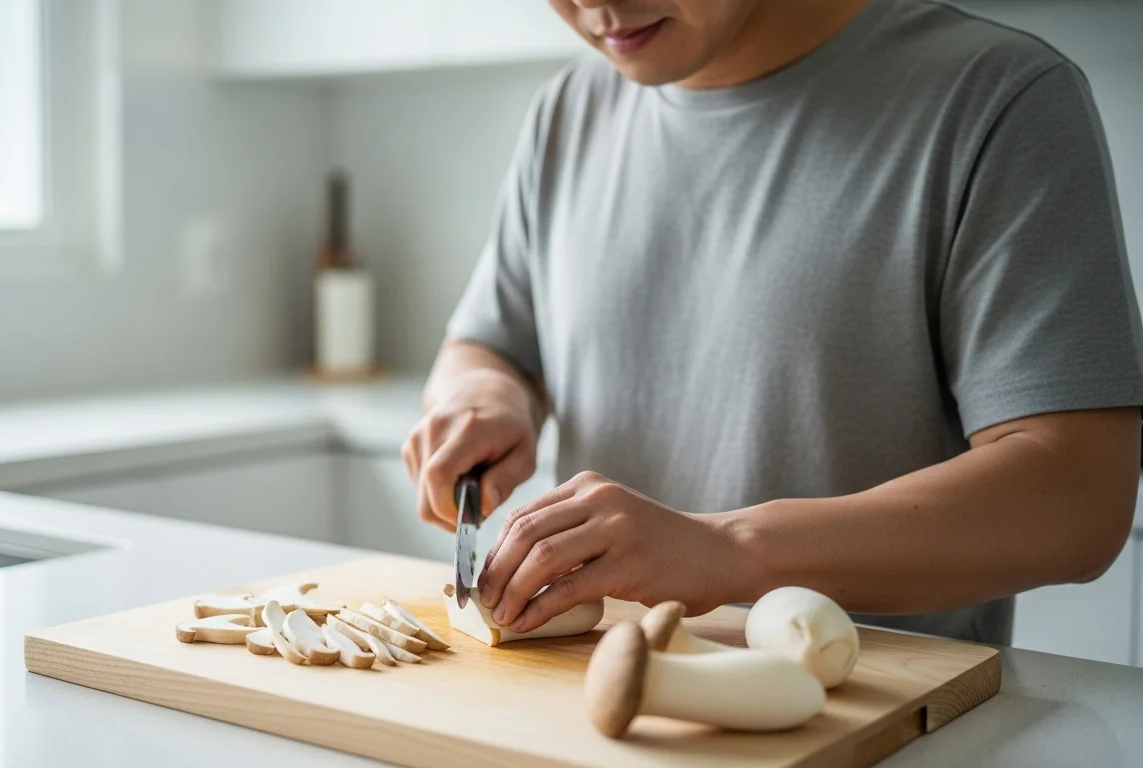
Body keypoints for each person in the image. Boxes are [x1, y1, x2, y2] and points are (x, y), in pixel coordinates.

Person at [402, 0, 1143, 644]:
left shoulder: (997, 98)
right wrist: (485, 393)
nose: (593, 2)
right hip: (604, 715)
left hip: (877, 718)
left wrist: (728, 551)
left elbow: (1079, 497)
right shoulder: (567, 112)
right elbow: (490, 346)